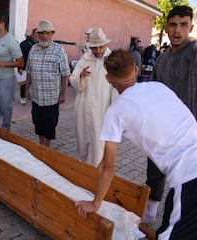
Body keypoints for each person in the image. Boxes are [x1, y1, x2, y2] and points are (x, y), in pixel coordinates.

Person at [75, 49, 197, 240]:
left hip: (189, 176)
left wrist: (95, 203)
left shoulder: (116, 111)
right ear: (136, 69)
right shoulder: (159, 87)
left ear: (107, 79)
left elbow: (107, 166)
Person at [143, 5, 197, 224]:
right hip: (160, 130)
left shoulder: (193, 52)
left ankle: (172, 226)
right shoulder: (162, 59)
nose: (177, 30)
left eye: (183, 25)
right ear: (166, 27)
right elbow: (154, 92)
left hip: (187, 135)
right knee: (154, 174)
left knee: (181, 184)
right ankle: (148, 217)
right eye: (173, 25)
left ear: (190, 27)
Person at [69, 28, 118, 167]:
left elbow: (116, 86)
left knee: (98, 144)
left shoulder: (112, 60)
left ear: (105, 45)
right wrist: (81, 77)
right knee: (83, 139)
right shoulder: (85, 58)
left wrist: (114, 110)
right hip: (84, 106)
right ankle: (84, 170)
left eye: (100, 47)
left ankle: (96, 173)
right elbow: (73, 79)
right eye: (94, 48)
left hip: (102, 109)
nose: (97, 51)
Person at [25, 20, 70, 147]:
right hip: (37, 97)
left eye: (47, 33)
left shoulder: (59, 50)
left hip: (52, 98)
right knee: (38, 124)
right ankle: (41, 146)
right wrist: (26, 89)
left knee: (50, 126)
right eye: (41, 33)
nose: (44, 36)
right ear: (37, 34)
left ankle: (47, 149)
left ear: (52, 34)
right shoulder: (33, 49)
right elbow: (29, 70)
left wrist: (63, 94)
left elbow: (65, 73)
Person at [18, 28, 39, 105]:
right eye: (36, 36)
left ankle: (33, 96)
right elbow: (20, 57)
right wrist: (20, 68)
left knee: (34, 82)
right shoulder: (23, 44)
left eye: (38, 36)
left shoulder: (39, 45)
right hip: (24, 66)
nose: (37, 38)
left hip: (35, 67)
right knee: (23, 83)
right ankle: (22, 97)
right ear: (32, 35)